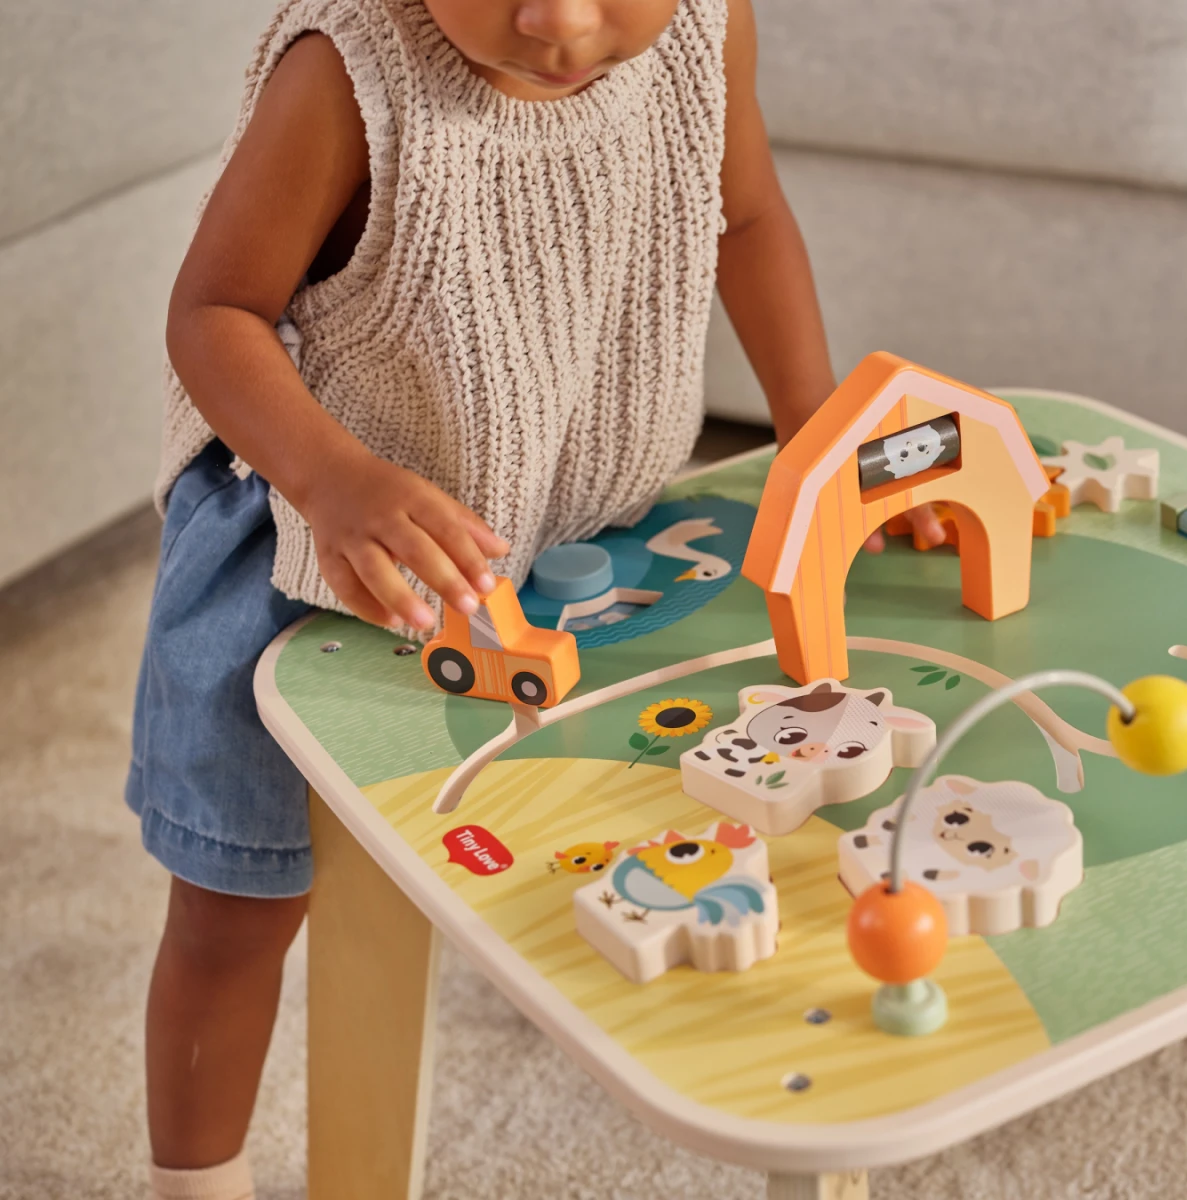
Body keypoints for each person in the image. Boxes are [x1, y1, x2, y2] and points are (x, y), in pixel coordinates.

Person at [132, 1, 948, 1195]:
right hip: (305, 548)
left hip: (550, 529)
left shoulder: (705, 30)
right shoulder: (345, 77)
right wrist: (331, 478)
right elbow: (214, 311)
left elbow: (747, 214)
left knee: (603, 826)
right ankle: (195, 1182)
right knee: (236, 912)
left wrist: (813, 432)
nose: (556, 18)